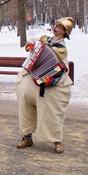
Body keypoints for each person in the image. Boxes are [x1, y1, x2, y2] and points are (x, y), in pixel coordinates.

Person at [16, 17, 74, 154]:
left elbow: (61, 69)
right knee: (25, 105)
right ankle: (27, 136)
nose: (55, 28)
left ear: (64, 32)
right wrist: (30, 45)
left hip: (50, 83)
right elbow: (32, 40)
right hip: (33, 76)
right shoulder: (43, 38)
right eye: (55, 25)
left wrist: (51, 80)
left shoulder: (62, 50)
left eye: (59, 27)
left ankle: (56, 140)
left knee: (51, 111)